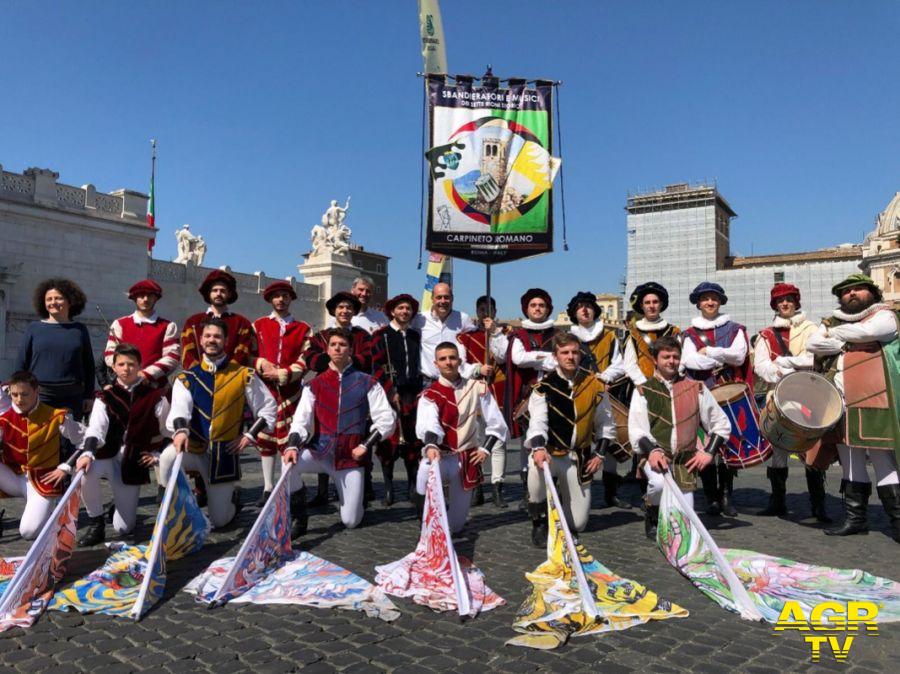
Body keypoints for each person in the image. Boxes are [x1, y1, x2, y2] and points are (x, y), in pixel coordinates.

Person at [807, 274, 899, 542]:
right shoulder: (833, 319)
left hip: (875, 397)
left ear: (872, 292)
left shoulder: (885, 315)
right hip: (840, 400)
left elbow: (868, 332)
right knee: (849, 459)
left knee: (882, 458)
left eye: (858, 289)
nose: (852, 294)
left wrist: (835, 337)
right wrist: (847, 340)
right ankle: (855, 519)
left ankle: (897, 521)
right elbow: (813, 343)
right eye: (846, 292)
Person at [161, 317, 276, 529]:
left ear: (225, 340)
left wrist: (249, 435)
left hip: (223, 454)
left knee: (220, 520)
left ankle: (232, 498)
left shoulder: (244, 374)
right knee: (167, 458)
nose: (211, 340)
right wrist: (180, 432)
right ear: (200, 341)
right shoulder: (186, 377)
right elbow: (180, 408)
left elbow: (268, 408)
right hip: (193, 448)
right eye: (207, 336)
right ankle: (174, 510)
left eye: (217, 336)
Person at [284, 328, 395, 533]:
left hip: (351, 456)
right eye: (333, 344)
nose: (337, 348)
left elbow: (386, 419)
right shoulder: (314, 385)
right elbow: (301, 420)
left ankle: (358, 499)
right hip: (320, 451)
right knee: (288, 465)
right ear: (327, 349)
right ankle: (299, 516)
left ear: (350, 350)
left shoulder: (367, 382)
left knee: (351, 521)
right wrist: (291, 446)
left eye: (342, 345)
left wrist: (365, 445)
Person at [628, 336, 731, 539]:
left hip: (685, 461)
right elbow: (637, 430)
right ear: (655, 359)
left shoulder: (697, 388)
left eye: (675, 356)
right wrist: (653, 451)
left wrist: (708, 453)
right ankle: (652, 510)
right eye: (666, 356)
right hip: (657, 456)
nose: (671, 361)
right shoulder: (642, 390)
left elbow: (721, 424)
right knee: (657, 485)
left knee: (684, 527)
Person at [524, 333, 615, 545]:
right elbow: (537, 422)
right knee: (535, 470)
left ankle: (564, 514)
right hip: (549, 454)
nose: (570, 356)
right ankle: (539, 520)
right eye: (565, 352)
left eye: (575, 352)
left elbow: (606, 423)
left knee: (578, 524)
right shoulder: (543, 388)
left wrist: (600, 453)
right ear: (556, 356)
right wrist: (538, 448)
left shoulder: (595, 385)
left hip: (577, 456)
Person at [76, 343, 170, 546]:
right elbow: (96, 429)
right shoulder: (104, 397)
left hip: (133, 460)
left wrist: (157, 454)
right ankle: (96, 523)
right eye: (121, 364)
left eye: (131, 364)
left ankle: (117, 509)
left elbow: (167, 432)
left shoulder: (155, 397)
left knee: (124, 528)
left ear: (139, 366)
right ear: (114, 367)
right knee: (86, 470)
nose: (126, 368)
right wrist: (88, 453)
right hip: (107, 456)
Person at [752, 283, 830, 522]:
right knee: (779, 449)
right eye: (779, 300)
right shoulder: (766, 334)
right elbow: (761, 366)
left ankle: (818, 506)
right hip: (778, 395)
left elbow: (813, 359)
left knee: (811, 450)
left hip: (808, 395)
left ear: (796, 302)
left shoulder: (811, 329)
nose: (784, 304)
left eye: (788, 299)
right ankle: (778, 501)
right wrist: (781, 372)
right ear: (774, 305)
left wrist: (787, 363)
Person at [415, 341, 508, 534]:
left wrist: (485, 449)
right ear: (436, 363)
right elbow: (429, 424)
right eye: (443, 359)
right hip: (438, 457)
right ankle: (425, 521)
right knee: (424, 471)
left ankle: (445, 527)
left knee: (455, 527)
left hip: (466, 458)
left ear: (459, 361)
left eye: (452, 357)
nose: (448, 362)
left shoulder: (477, 387)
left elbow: (496, 422)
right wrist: (431, 444)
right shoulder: (429, 394)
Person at [680, 282, 751, 518]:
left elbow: (739, 356)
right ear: (698, 303)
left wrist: (709, 352)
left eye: (714, 298)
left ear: (720, 302)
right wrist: (723, 356)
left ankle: (727, 496)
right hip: (701, 393)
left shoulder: (736, 329)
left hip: (729, 392)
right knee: (705, 444)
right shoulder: (688, 334)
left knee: (728, 443)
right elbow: (690, 362)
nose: (710, 302)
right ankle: (711, 497)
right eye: (705, 299)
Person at [303, 291, 377, 507]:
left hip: (355, 390)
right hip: (326, 391)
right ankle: (323, 489)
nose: (345, 311)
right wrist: (337, 357)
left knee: (358, 435)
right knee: (323, 436)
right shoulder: (321, 336)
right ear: (334, 311)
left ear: (354, 312)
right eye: (341, 308)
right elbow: (311, 360)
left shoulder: (363, 336)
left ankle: (364, 487)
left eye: (349, 308)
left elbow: (368, 359)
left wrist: (345, 358)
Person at [0, 371, 85, 539]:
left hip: (42, 480)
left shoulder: (55, 416)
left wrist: (66, 466)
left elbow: (88, 439)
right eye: (15, 394)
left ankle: (47, 510)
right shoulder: (4, 419)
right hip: (10, 477)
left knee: (29, 532)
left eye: (25, 394)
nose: (19, 399)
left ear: (36, 391)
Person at [567, 291, 631, 510]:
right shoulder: (569, 338)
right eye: (580, 307)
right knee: (578, 440)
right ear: (574, 313)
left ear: (595, 310)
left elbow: (619, 364)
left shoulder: (609, 336)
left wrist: (602, 378)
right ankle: (576, 489)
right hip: (576, 394)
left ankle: (610, 494)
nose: (584, 310)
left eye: (588, 306)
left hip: (604, 393)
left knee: (609, 441)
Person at [252, 281, 311, 507]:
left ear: (291, 299)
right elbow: (249, 354)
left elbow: (306, 358)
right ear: (270, 300)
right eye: (276, 296)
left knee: (289, 437)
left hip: (290, 392)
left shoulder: (303, 328)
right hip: (265, 390)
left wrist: (285, 374)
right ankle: (267, 487)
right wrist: (261, 364)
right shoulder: (257, 325)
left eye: (285, 296)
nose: (281, 300)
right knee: (265, 438)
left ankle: (291, 485)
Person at [16, 278, 95, 421]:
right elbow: (22, 362)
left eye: (58, 298)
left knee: (68, 442)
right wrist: (18, 391)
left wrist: (89, 396)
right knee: (39, 440)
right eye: (49, 299)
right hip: (40, 396)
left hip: (72, 398)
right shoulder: (34, 328)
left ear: (70, 301)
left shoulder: (79, 329)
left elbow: (89, 365)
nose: (53, 302)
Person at [370, 293, 423, 506]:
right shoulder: (380, 335)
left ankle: (412, 485)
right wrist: (391, 391)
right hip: (389, 393)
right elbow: (376, 366)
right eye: (400, 308)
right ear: (392, 311)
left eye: (408, 309)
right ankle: (389, 489)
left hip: (412, 393)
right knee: (388, 442)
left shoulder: (415, 335)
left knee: (412, 440)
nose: (404, 312)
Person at [457, 295, 508, 508]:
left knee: (497, 440)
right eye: (481, 309)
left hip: (497, 390)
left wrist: (495, 333)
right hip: (474, 390)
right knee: (474, 439)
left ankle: (497, 486)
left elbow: (505, 357)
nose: (485, 312)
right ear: (476, 311)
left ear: (495, 311)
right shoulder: (464, 337)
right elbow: (460, 364)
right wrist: (478, 369)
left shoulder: (504, 334)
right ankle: (476, 484)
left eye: (489, 309)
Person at [102, 279, 180, 387]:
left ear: (156, 298)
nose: (146, 299)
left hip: (155, 388)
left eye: (150, 296)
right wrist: (126, 372)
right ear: (134, 298)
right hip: (124, 386)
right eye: (141, 296)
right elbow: (109, 353)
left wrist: (146, 374)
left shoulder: (168, 326)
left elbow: (172, 357)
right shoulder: (119, 324)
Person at [180, 270, 254, 370]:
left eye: (223, 291)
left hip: (231, 378)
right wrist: (199, 374)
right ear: (209, 293)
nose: (218, 294)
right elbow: (188, 353)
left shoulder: (242, 324)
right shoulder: (193, 322)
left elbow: (243, 353)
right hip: (199, 379)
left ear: (229, 294)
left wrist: (227, 374)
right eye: (214, 290)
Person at [411, 282, 481, 383]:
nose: (443, 301)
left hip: (455, 382)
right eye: (439, 297)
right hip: (426, 382)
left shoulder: (463, 319)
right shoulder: (420, 319)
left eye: (446, 297)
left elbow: (477, 341)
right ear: (432, 299)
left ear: (452, 298)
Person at [622, 282, 681, 386]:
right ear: (642, 305)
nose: (651, 306)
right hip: (642, 386)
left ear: (661, 304)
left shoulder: (674, 331)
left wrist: (668, 380)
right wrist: (644, 384)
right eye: (647, 303)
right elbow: (629, 364)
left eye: (655, 302)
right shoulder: (634, 334)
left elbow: (681, 360)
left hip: (670, 384)